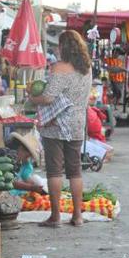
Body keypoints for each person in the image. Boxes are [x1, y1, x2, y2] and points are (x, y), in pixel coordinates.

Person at [29, 30, 92, 228]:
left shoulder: (59, 68)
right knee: (75, 171)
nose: (57, 48)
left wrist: (32, 98)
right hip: (77, 123)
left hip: (56, 123)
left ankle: (56, 217)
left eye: (58, 45)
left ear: (64, 46)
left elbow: (48, 97)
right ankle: (77, 216)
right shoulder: (87, 69)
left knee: (54, 171)